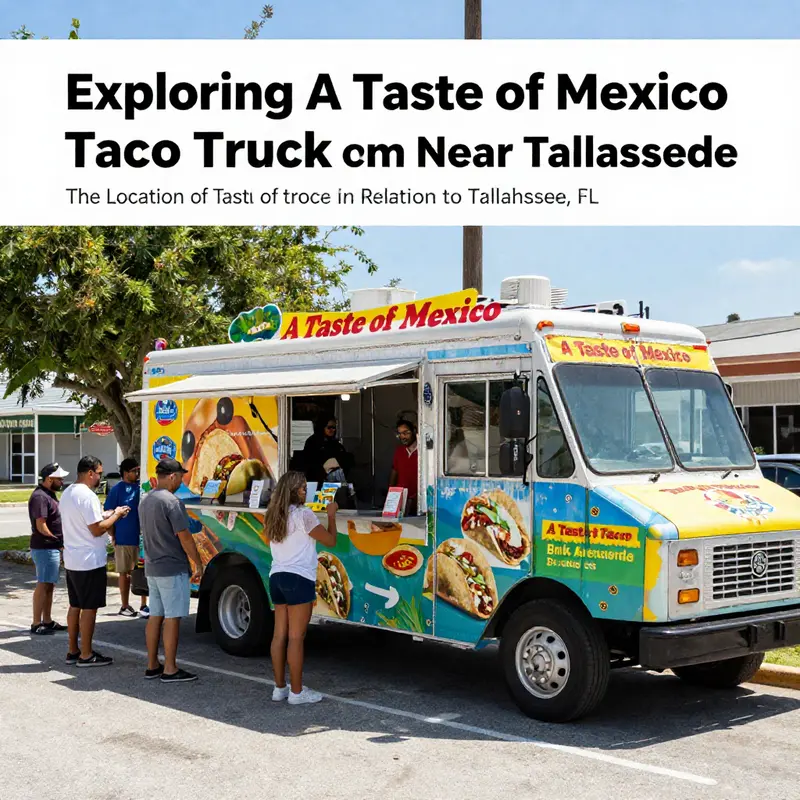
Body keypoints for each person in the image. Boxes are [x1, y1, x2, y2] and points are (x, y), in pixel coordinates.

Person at [263, 470, 338, 705]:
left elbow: (270, 541)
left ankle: (279, 688)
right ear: (295, 491)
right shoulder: (304, 515)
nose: (306, 491)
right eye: (304, 488)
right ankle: (296, 693)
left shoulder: (273, 515)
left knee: (279, 636)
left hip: (277, 576)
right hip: (299, 578)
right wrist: (331, 515)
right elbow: (331, 540)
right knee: (296, 637)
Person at [60, 455, 130, 667]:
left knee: (75, 605)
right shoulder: (87, 495)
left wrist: (106, 514)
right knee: (89, 608)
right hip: (89, 560)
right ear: (90, 473)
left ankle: (73, 650)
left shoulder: (67, 492)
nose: (101, 476)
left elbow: (88, 520)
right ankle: (86, 654)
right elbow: (97, 528)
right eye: (99, 473)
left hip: (73, 559)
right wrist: (116, 514)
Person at [139, 457, 203, 683]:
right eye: (181, 477)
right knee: (173, 619)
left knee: (155, 617)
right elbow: (185, 537)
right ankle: (171, 668)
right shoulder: (172, 502)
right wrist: (198, 562)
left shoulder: (146, 500)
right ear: (173, 476)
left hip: (153, 567)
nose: (181, 481)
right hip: (172, 567)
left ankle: (152, 665)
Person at [28, 463, 69, 635]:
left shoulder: (49, 495)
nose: (62, 481)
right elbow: (41, 525)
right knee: (43, 584)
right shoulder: (40, 497)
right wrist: (57, 540)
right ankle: (36, 623)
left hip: (51, 548)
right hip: (45, 547)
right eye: (59, 478)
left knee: (49, 585)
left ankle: (47, 620)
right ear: (49, 479)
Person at [105, 457, 148, 618]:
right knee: (125, 573)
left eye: (138, 470)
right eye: (134, 471)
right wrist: (112, 534)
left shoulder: (141, 488)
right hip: (123, 538)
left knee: (143, 572)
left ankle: (145, 604)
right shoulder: (117, 490)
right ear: (125, 473)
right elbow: (108, 513)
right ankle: (124, 605)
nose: (137, 473)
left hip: (142, 538)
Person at [302, 416, 353, 486]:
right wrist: (324, 468)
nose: (332, 430)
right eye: (329, 427)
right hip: (318, 483)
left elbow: (347, 459)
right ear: (322, 427)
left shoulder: (335, 443)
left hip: (336, 483)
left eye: (334, 427)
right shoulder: (313, 442)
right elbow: (309, 464)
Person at [389, 419, 419, 516]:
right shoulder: (399, 451)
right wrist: (390, 496)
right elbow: (394, 472)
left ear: (414, 431)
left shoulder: (424, 452)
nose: (403, 437)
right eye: (400, 434)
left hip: (418, 501)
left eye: (406, 433)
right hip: (400, 501)